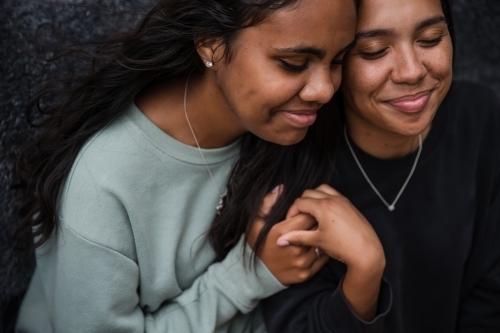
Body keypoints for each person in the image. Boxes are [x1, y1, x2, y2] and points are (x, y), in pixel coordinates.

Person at [13, 0, 359, 332]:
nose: (324, 90)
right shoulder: (102, 184)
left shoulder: (289, 131)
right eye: (294, 63)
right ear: (210, 42)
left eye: (338, 60)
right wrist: (248, 274)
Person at [212, 0, 500, 331]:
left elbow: (491, 295)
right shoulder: (291, 167)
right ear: (333, 62)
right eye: (375, 51)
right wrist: (365, 271)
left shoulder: (480, 118)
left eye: (431, 39)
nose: (412, 71)